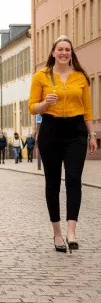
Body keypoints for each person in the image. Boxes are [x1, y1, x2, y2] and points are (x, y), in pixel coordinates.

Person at [29, 35, 97, 253]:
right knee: (53, 182)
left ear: (71, 53)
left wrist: (92, 133)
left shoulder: (81, 76)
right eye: (60, 49)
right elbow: (32, 107)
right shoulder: (41, 76)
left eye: (67, 49)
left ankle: (72, 232)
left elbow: (87, 108)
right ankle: (57, 234)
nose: (64, 53)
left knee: (74, 179)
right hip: (51, 129)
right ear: (53, 52)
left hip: (76, 131)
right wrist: (44, 104)